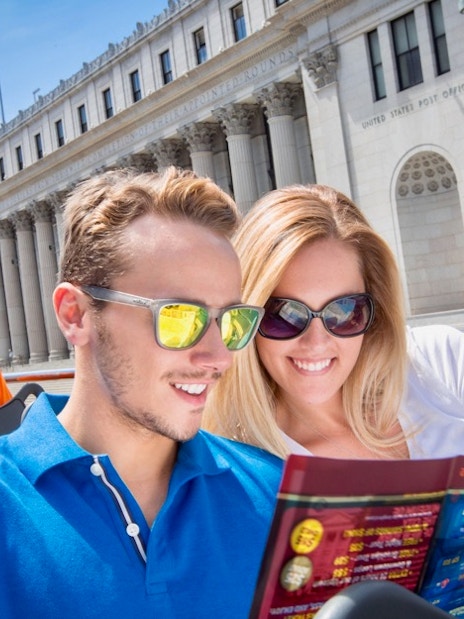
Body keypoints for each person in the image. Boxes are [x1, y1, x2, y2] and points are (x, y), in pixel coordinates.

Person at [0, 167, 283, 618]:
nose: (219, 357)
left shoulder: (278, 494)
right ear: (75, 315)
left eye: (232, 322)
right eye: (178, 317)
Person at [203, 183, 464, 460]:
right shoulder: (238, 467)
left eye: (344, 311)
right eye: (285, 315)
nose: (316, 343)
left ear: (374, 308)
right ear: (247, 319)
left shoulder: (441, 362)